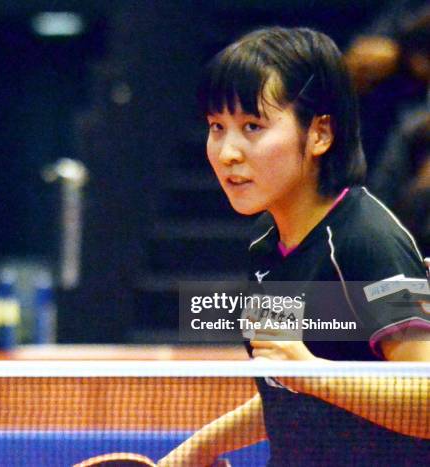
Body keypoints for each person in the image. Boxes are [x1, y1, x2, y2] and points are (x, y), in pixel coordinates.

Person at [158, 27, 429, 466]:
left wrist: (314, 374)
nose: (227, 152)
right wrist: (195, 450)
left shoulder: (368, 243)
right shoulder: (267, 251)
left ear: (320, 133)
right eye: (216, 127)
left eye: (252, 126)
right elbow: (285, 390)